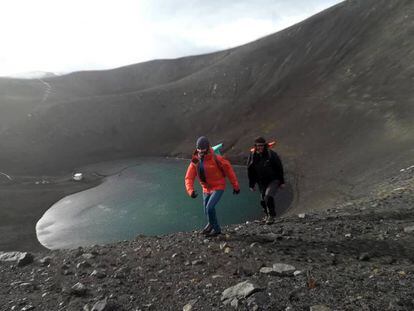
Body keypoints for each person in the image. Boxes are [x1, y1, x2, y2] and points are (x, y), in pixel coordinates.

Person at [185, 136, 240, 236]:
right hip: (206, 188)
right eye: (199, 148)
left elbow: (229, 171)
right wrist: (190, 191)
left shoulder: (216, 158)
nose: (201, 151)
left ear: (207, 147)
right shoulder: (195, 160)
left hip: (218, 186)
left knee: (210, 208)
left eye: (203, 148)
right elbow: (189, 177)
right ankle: (210, 224)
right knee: (206, 209)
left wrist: (236, 186)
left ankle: (216, 229)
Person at [247, 137, 285, 225]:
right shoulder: (252, 156)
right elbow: (250, 170)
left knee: (268, 196)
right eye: (258, 146)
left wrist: (282, 182)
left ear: (265, 145)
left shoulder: (271, 154)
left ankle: (271, 216)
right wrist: (251, 184)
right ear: (255, 146)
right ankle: (267, 215)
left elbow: (279, 168)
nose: (260, 147)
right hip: (261, 181)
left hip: (273, 180)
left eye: (262, 145)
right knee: (262, 200)